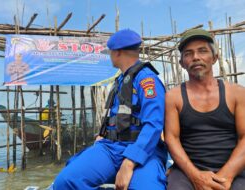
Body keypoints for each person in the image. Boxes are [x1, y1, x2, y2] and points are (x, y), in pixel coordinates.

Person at [52, 29, 167, 190]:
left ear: (118, 52)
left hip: (142, 149)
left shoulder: (147, 80)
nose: (110, 56)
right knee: (65, 182)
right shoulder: (120, 80)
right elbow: (116, 117)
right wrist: (103, 134)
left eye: (111, 52)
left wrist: (129, 162)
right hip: (111, 147)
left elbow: (154, 125)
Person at [165, 28, 245, 190]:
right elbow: (172, 139)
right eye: (188, 53)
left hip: (233, 168)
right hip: (187, 171)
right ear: (181, 63)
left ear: (215, 58)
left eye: (202, 51)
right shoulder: (173, 97)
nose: (196, 57)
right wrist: (196, 176)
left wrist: (225, 176)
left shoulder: (237, 93)